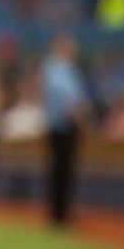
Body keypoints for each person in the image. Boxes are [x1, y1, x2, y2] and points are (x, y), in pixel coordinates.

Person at [41, 32, 90, 226]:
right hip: (61, 128)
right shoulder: (55, 70)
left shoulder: (67, 70)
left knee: (65, 172)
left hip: (66, 128)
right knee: (60, 172)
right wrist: (82, 122)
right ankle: (58, 214)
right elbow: (70, 103)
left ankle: (62, 212)